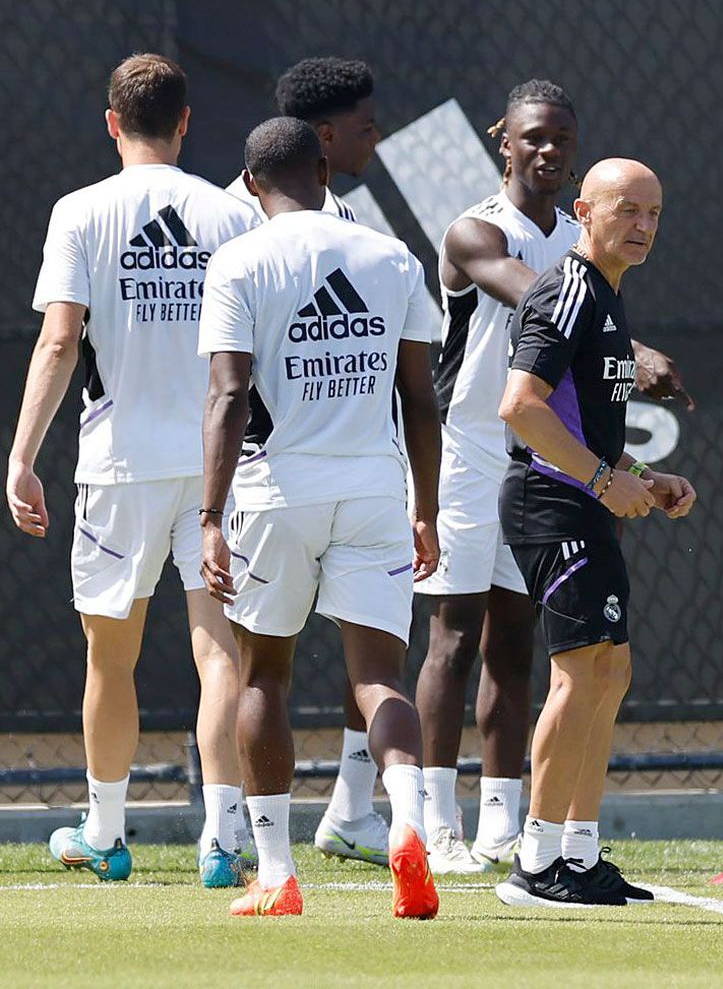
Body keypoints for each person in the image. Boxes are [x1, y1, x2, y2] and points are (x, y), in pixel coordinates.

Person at [416, 81, 692, 874]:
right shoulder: (482, 231)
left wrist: (632, 467)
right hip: (474, 451)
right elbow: (535, 296)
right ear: (504, 141)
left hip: (552, 453)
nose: (547, 149)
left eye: (561, 139)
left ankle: (506, 822)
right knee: (455, 635)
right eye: (533, 136)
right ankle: (438, 822)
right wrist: (630, 349)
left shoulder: (587, 248)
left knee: (521, 643)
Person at [9, 54, 258, 887]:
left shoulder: (79, 212)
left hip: (119, 468)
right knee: (219, 652)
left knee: (109, 658)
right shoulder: (232, 215)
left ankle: (107, 834)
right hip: (217, 470)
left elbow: (59, 339)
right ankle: (222, 841)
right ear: (184, 122)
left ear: (113, 122)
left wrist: (21, 457)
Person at [198, 116, 443, 918]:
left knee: (265, 674)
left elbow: (229, 396)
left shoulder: (239, 261)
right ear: (325, 171)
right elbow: (420, 400)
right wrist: (427, 510)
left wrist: (209, 516)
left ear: (250, 182)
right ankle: (409, 823)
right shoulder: (392, 256)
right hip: (375, 492)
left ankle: (277, 875)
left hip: (275, 495)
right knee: (379, 678)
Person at [494, 158, 696, 909]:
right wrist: (604, 481)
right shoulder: (569, 289)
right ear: (583, 211)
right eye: (626, 209)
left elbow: (582, 424)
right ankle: (535, 862)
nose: (643, 226)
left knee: (611, 672)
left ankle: (578, 855)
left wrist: (640, 474)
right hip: (552, 504)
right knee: (580, 675)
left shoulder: (607, 293)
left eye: (654, 213)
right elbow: (521, 406)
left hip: (582, 500)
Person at [225, 56, 388, 864]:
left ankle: (351, 812)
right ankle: (232, 826)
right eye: (364, 126)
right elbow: (222, 382)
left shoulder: (356, 227)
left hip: (337, 477)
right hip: (249, 473)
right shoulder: (228, 223)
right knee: (248, 661)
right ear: (322, 142)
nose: (375, 138)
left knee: (366, 654)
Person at [226, 56, 374, 223]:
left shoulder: (231, 202)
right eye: (367, 129)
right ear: (326, 134)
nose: (376, 137)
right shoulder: (234, 210)